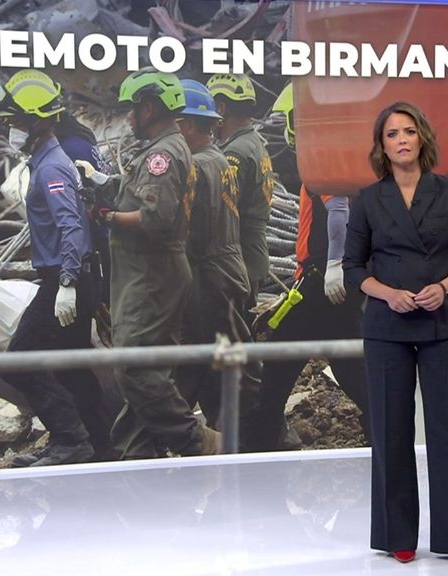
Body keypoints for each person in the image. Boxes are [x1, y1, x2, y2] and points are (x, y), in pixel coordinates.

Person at [342, 101, 448, 565]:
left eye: (408, 131)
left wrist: (444, 287)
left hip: (442, 325)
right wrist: (387, 293)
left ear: (422, 138)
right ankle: (396, 535)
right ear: (381, 146)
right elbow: (353, 269)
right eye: (391, 134)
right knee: (389, 431)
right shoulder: (367, 199)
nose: (401, 139)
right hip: (387, 327)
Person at [91, 68, 221, 458]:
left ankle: (197, 441)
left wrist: (106, 216)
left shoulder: (163, 153)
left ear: (148, 108)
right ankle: (136, 452)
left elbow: (153, 218)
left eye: (132, 110)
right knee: (143, 368)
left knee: (134, 366)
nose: (129, 118)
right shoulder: (164, 148)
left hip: (151, 276)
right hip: (147, 274)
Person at [0, 69, 112, 466]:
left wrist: (68, 282)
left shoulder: (53, 166)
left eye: (15, 123)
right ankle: (98, 443)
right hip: (71, 276)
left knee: (19, 362)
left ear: (37, 122)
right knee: (71, 366)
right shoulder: (47, 160)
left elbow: (72, 227)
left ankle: (70, 440)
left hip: (66, 277)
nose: (11, 130)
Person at [244, 83, 371, 452]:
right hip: (336, 286)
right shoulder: (348, 156)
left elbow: (339, 213)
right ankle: (391, 436)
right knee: (353, 369)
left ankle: (257, 452)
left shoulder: (323, 161)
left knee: (277, 372)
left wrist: (333, 264)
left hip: (319, 286)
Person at [172, 79, 260, 429]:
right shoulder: (218, 159)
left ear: (190, 124)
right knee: (217, 353)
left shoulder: (201, 167)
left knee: (221, 354)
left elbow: (194, 232)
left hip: (212, 279)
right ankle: (222, 428)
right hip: (223, 272)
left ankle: (240, 433)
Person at [206, 73, 275, 310]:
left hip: (237, 259)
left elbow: (221, 210)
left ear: (221, 108)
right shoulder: (254, 143)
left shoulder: (234, 153)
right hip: (251, 255)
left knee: (230, 335)